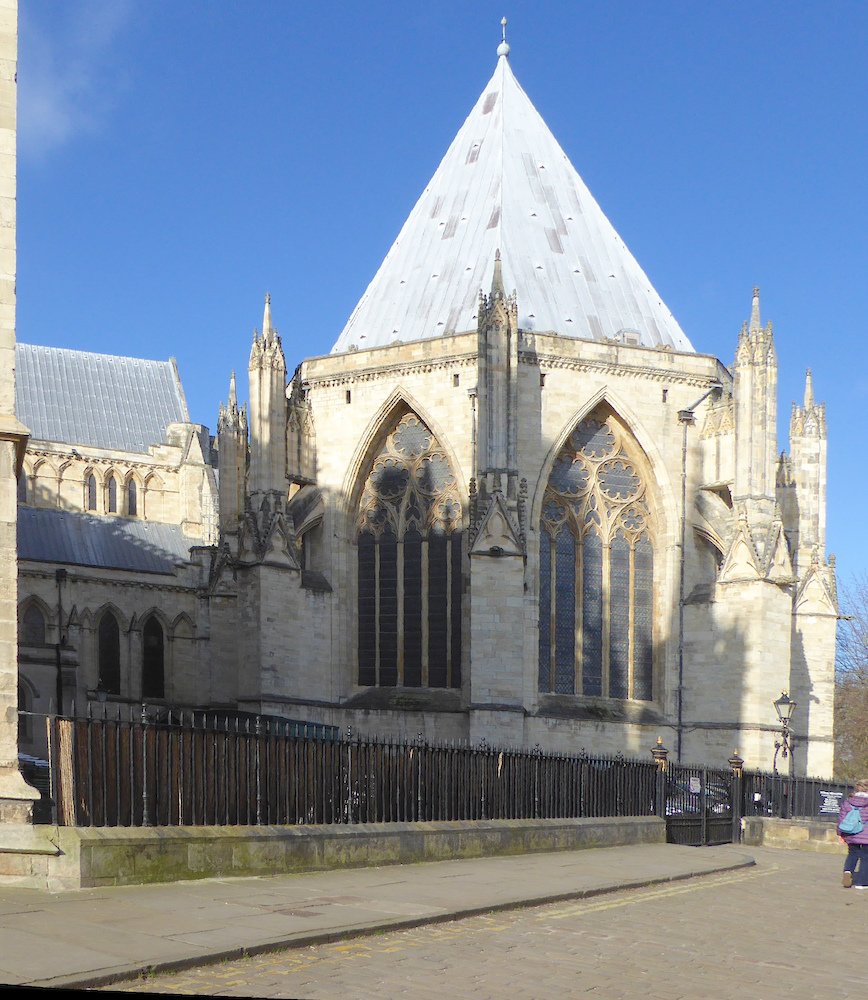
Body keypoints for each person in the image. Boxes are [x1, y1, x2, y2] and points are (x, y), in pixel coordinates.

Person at [838, 778, 868, 888]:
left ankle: (847, 871)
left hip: (851, 834)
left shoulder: (848, 802)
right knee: (866, 858)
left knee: (852, 854)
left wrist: (841, 834)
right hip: (866, 836)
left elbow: (841, 819)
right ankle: (862, 883)